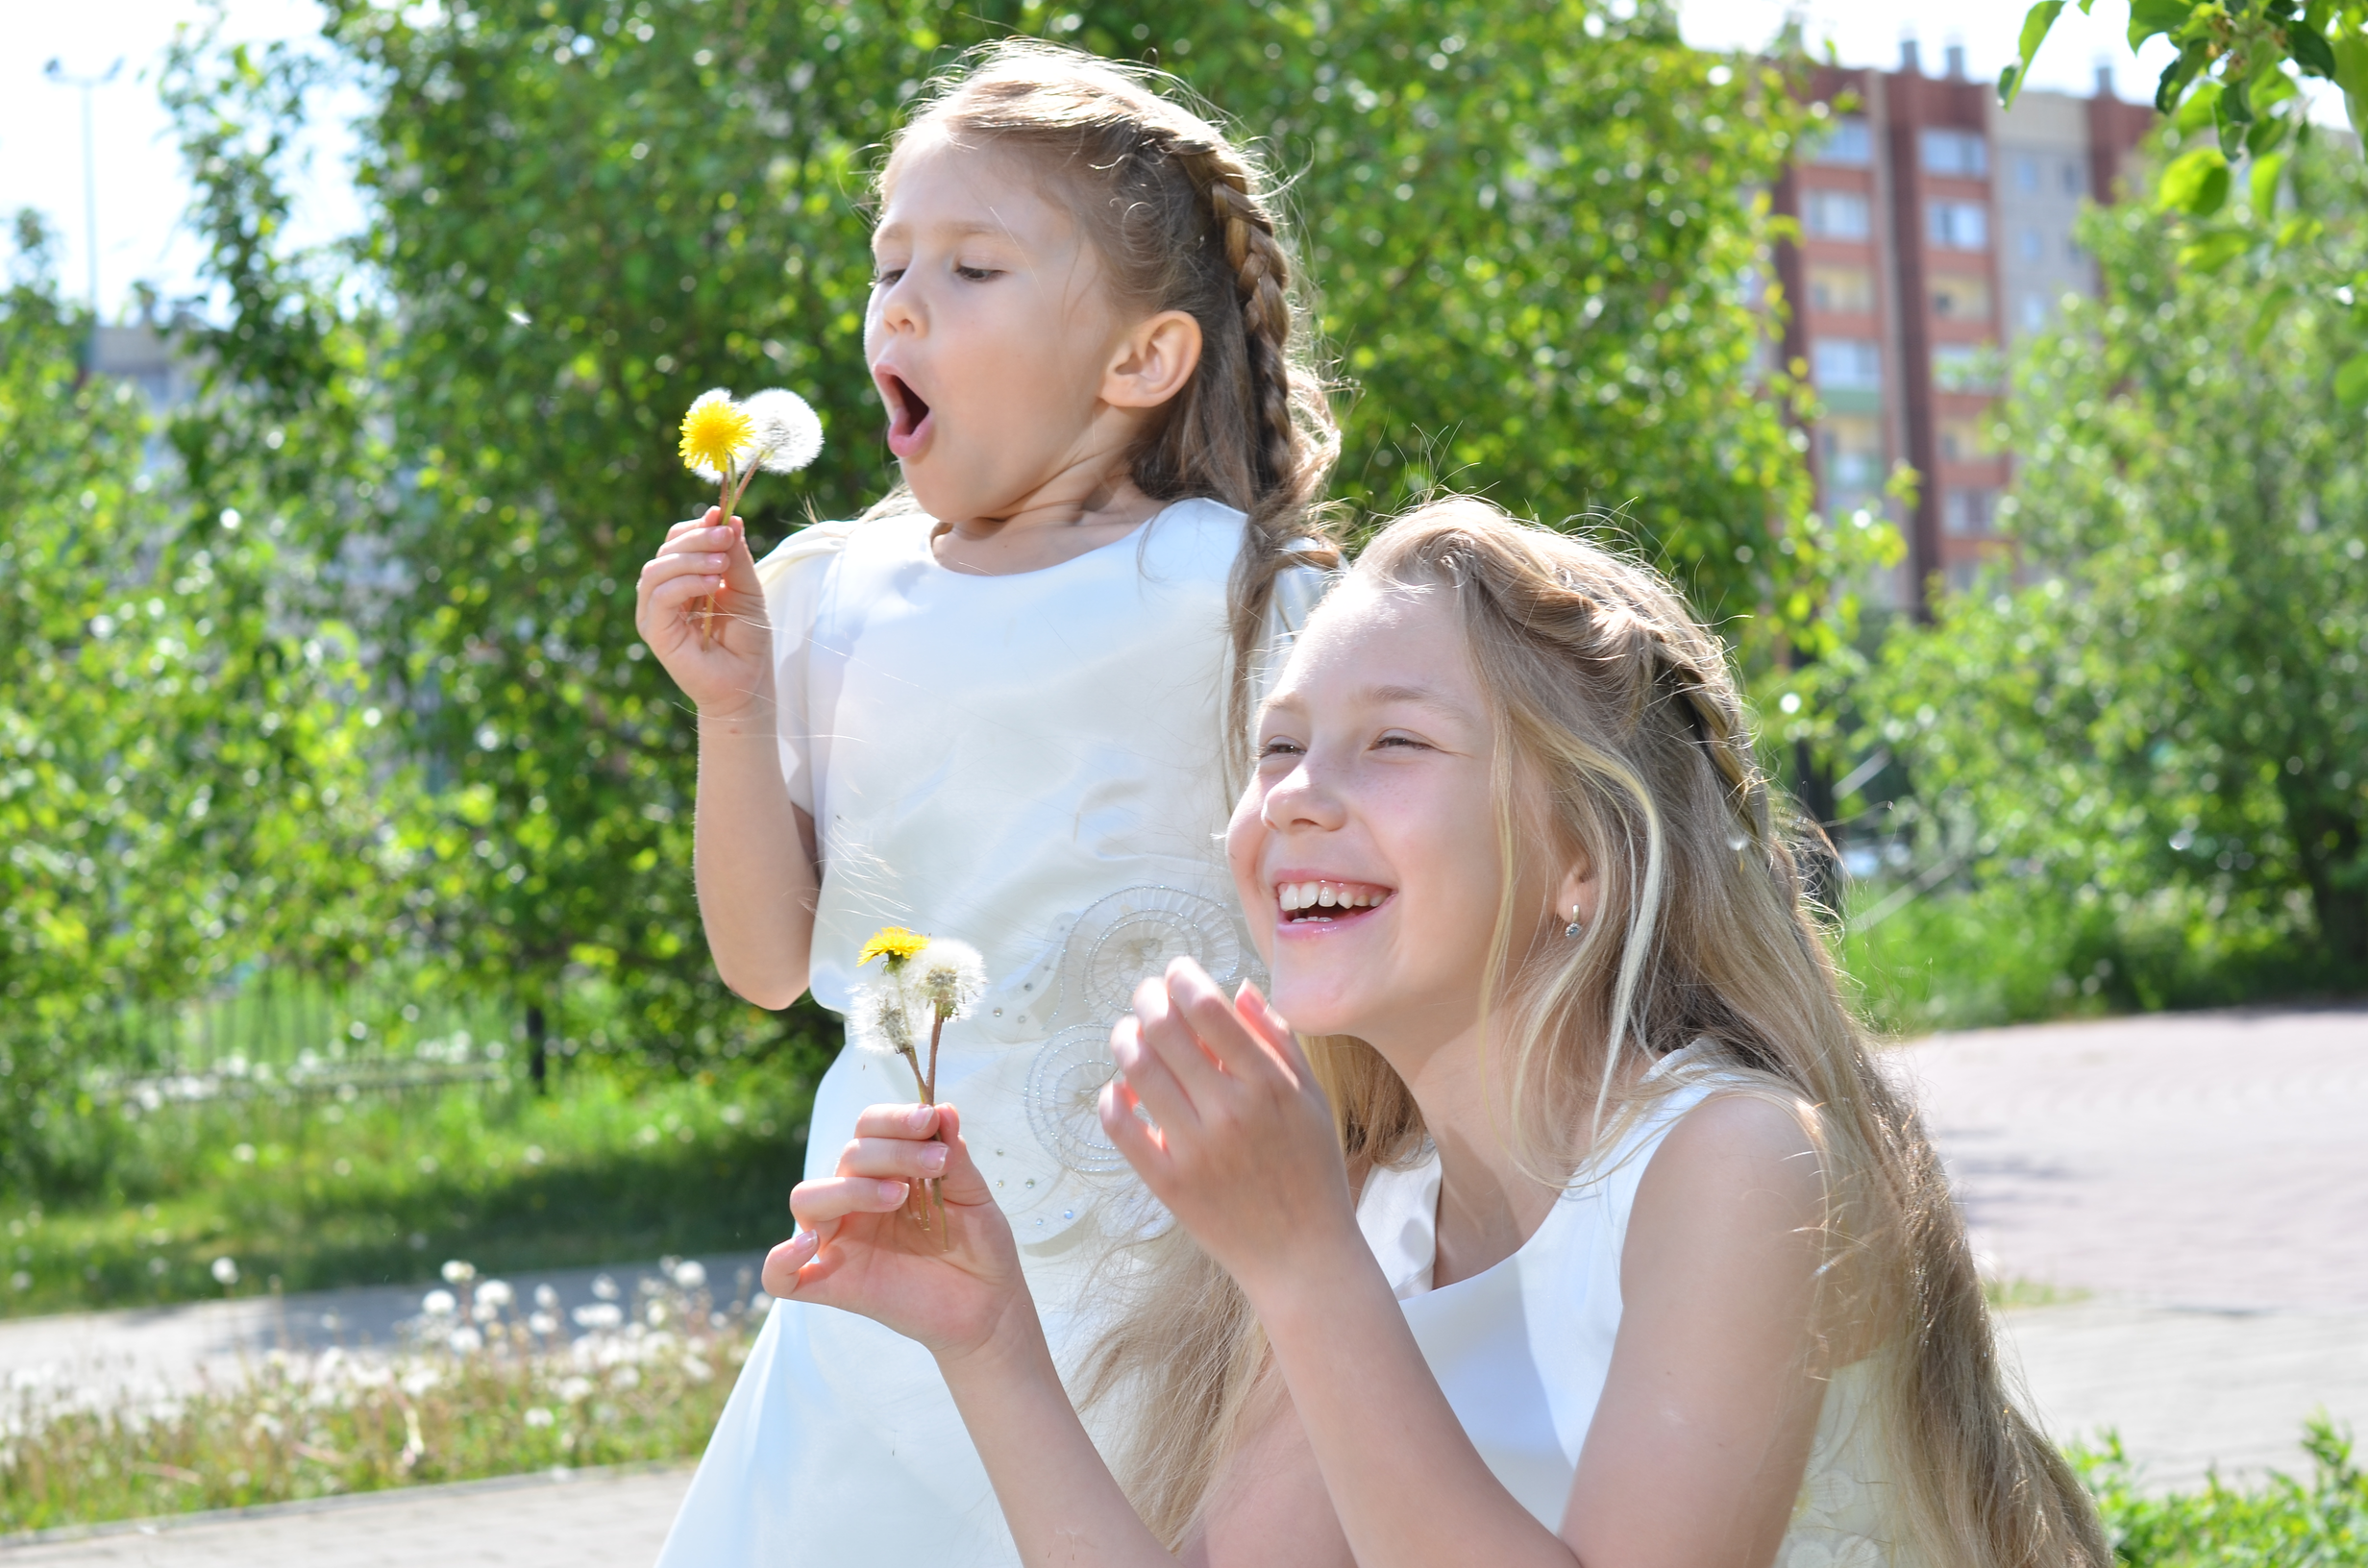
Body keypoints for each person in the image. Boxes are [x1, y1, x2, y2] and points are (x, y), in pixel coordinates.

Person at [770, 499, 2110, 1567]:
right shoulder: (1381, 1210)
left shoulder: (1737, 1164)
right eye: (1279, 749)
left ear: (1584, 853)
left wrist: (1304, 1271)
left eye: (1393, 743)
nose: (1297, 796)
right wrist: (990, 1343)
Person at [630, 38, 1340, 1568]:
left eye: (969, 266)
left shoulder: (1237, 594)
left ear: (1140, 361)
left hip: (1175, 1278)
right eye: (890, 263)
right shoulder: (832, 593)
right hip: (896, 1252)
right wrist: (733, 710)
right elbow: (768, 959)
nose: (901, 302)